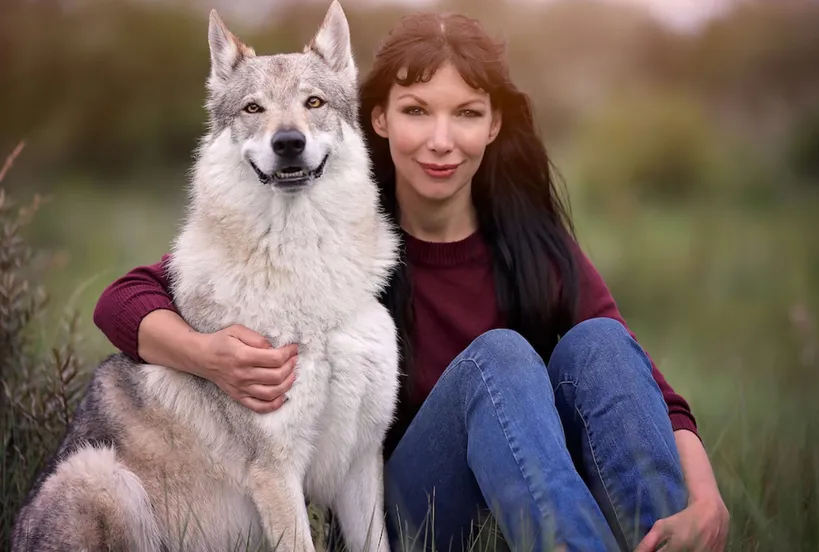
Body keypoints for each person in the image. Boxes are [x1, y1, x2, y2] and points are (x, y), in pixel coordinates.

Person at [92, 10, 728, 552]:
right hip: (405, 514)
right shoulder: (334, 223)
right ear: (377, 121)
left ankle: (672, 535)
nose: (441, 141)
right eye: (417, 111)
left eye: (467, 114)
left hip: (530, 492)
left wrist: (706, 497)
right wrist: (208, 356)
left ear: (493, 125)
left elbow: (645, 388)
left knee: (602, 345)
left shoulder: (534, 243)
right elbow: (124, 299)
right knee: (499, 360)